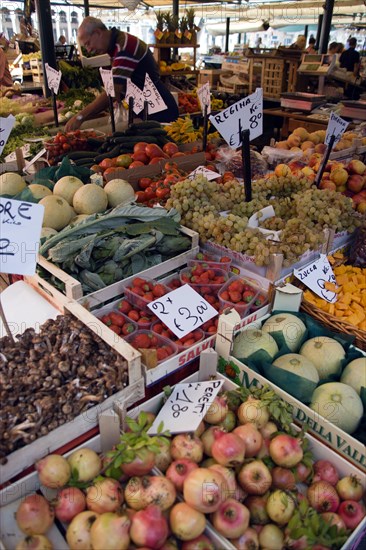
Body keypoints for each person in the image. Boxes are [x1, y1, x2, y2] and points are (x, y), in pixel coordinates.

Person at [65, 17, 179, 131]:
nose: (88, 50)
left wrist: (80, 117)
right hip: (146, 111)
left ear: (97, 33)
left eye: (88, 43)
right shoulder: (117, 45)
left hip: (159, 113)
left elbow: (113, 91)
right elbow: (123, 84)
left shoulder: (124, 46)